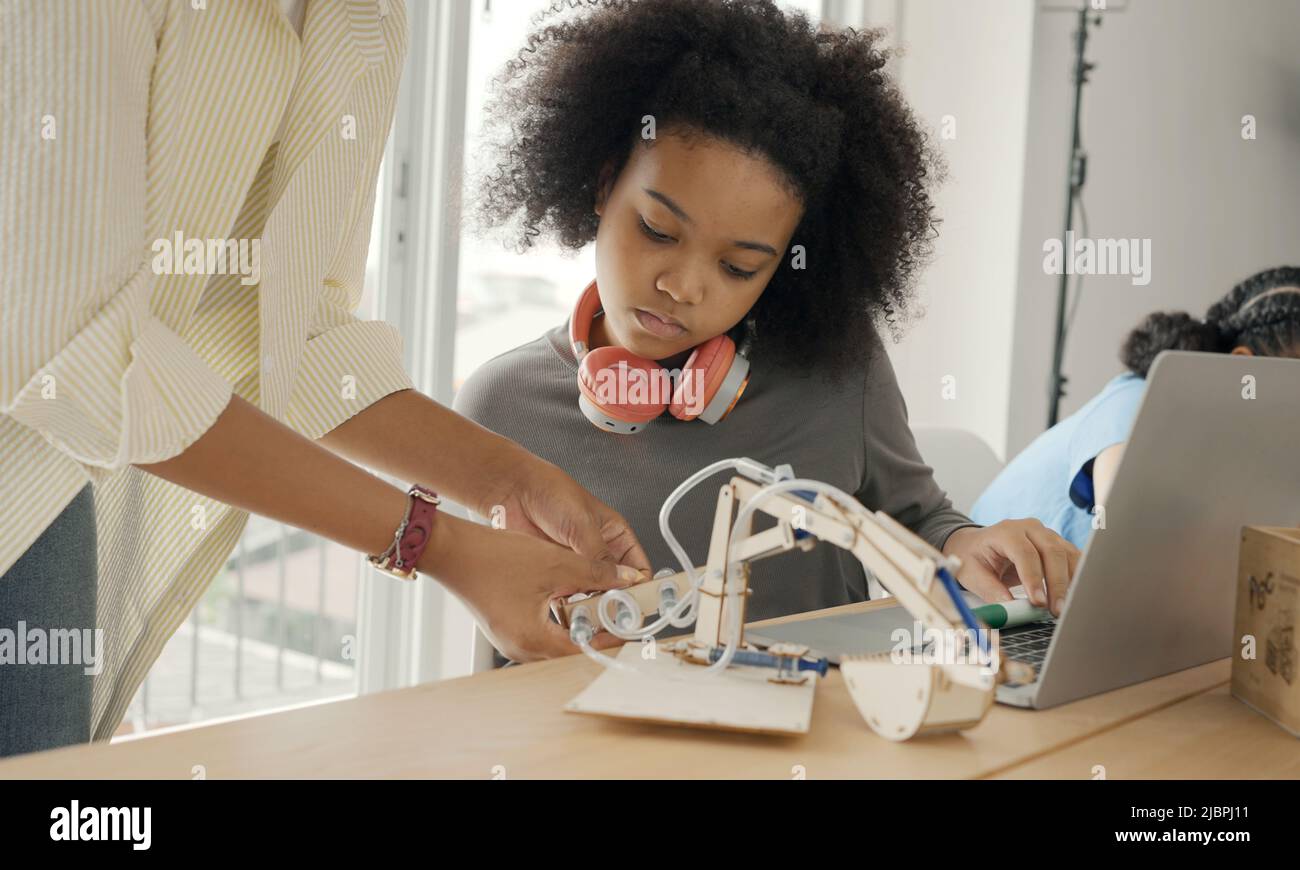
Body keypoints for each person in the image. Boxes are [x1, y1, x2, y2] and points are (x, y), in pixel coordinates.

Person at [0, 0, 648, 758]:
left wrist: (509, 483)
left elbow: (287, 327)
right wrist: (439, 547)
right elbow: (67, 345)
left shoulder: (364, 19)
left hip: (40, 487)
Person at [451, 0, 1081, 666]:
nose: (686, 287)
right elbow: (501, 651)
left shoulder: (838, 375)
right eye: (659, 231)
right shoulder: (500, 405)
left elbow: (921, 521)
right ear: (604, 183)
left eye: (739, 266)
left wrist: (970, 546)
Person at [971, 266, 1300, 549]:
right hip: (986, 604)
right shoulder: (1137, 403)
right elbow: (1124, 542)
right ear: (1245, 367)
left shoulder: (1240, 446)